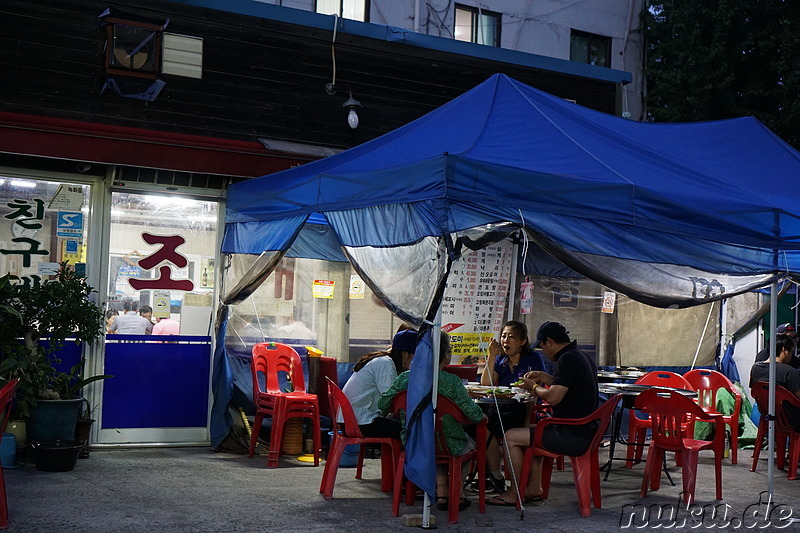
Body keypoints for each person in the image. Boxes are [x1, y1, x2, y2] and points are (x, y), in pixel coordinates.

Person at [489, 321, 598, 506]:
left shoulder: (566, 360)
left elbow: (554, 397)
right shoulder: (580, 356)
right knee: (533, 429)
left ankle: (515, 492)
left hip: (571, 435)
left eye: (541, 346)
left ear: (549, 342)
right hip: (587, 431)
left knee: (511, 436)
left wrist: (534, 386)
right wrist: (542, 376)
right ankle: (533, 487)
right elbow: (565, 384)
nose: (542, 351)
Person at [378, 330, 486, 511]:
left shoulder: (405, 378)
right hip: (449, 444)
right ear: (444, 355)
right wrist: (481, 415)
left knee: (434, 439)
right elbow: (474, 414)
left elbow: (383, 403)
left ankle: (442, 490)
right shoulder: (452, 381)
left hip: (415, 442)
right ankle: (457, 492)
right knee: (467, 444)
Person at [478, 320, 547, 493]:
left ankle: (520, 484)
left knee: (494, 425)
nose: (505, 341)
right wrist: (492, 356)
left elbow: (536, 392)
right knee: (482, 425)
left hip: (526, 412)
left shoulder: (533, 359)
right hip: (502, 410)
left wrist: (526, 421)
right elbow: (486, 385)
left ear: (523, 341)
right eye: (503, 336)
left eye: (511, 337)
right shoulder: (501, 360)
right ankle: (497, 477)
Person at [340, 328, 418, 439]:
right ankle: (409, 457)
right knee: (412, 431)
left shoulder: (383, 360)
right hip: (360, 422)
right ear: (405, 354)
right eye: (415, 356)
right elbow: (391, 399)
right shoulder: (385, 364)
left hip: (352, 419)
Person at [749, 333, 800, 398]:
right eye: (791, 352)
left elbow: (753, 390)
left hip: (762, 407)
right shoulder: (788, 372)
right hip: (785, 407)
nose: (791, 356)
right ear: (784, 350)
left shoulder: (755, 368)